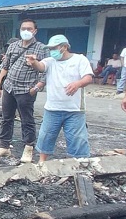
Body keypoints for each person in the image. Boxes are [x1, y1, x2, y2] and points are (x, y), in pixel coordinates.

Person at [25, 35, 93, 165]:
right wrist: (33, 62)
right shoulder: (50, 61)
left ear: (65, 47)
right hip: (52, 107)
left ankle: (79, 164)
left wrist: (77, 84)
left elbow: (88, 77)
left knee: (77, 139)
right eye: (50, 48)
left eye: (54, 48)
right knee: (46, 136)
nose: (52, 51)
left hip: (74, 109)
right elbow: (40, 66)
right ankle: (42, 163)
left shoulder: (80, 60)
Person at [0, 19, 48, 163]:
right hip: (9, 87)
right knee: (6, 117)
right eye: (24, 28)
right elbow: (5, 66)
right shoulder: (13, 46)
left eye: (29, 29)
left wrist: (36, 88)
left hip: (26, 89)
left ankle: (28, 148)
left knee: (27, 120)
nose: (26, 31)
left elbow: (44, 71)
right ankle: (4, 146)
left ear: (35, 31)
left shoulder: (41, 48)